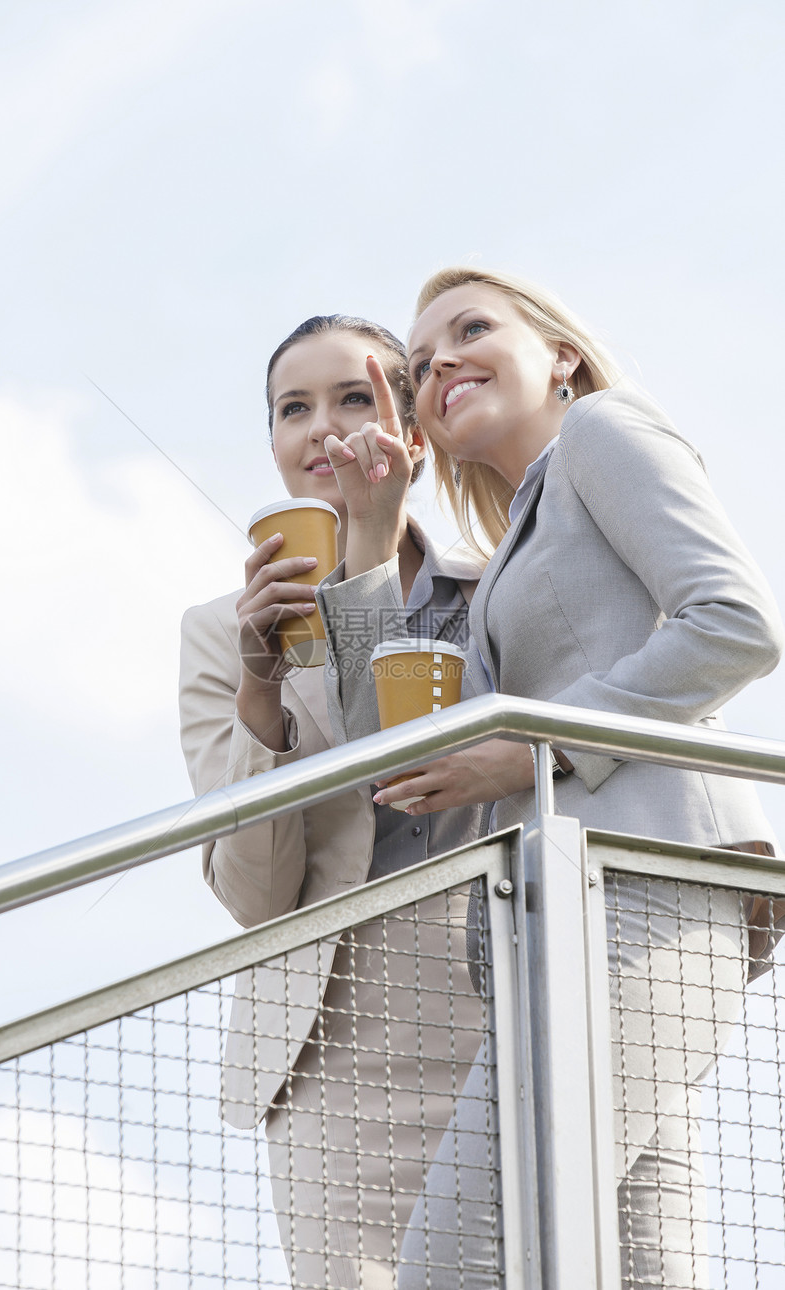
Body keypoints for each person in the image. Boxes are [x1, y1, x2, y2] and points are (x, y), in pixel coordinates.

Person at [321, 268, 784, 1288]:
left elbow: (736, 623)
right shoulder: (509, 558)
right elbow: (388, 756)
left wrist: (540, 748)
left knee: (457, 1261)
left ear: (559, 356)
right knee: (638, 1271)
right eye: (417, 363)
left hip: (646, 886)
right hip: (561, 923)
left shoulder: (601, 435)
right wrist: (368, 525)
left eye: (470, 328)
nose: (439, 361)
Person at [178, 314, 492, 1289]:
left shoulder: (496, 591)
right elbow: (253, 896)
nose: (320, 428)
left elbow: (405, 751)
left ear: (409, 424)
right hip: (331, 1049)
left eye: (353, 397)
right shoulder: (215, 635)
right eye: (291, 408)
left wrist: (368, 545)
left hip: (500, 1017)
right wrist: (259, 694)